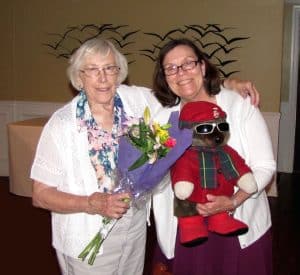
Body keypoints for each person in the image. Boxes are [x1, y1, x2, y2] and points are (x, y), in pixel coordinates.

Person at [30, 37, 260, 275]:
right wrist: (93, 203)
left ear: (119, 73)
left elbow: (183, 88)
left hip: (135, 228)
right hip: (87, 233)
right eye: (92, 70)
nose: (103, 78)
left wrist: (228, 84)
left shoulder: (135, 100)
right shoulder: (63, 124)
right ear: (79, 77)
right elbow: (41, 194)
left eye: (110, 68)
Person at [151, 38, 276, 275]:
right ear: (165, 77)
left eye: (189, 64)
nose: (182, 73)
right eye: (171, 68)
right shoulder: (161, 119)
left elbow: (265, 166)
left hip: (238, 222)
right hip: (184, 229)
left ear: (202, 67)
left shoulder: (239, 106)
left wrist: (233, 201)